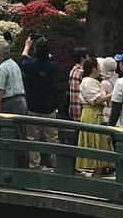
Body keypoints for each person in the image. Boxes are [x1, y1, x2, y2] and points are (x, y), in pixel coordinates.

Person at [20, 35, 62, 168]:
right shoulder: (53, 66)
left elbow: (23, 59)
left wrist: (27, 46)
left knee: (32, 138)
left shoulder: (30, 65)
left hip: (33, 106)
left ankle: (35, 165)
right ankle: (56, 165)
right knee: (53, 138)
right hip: (49, 107)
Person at [76, 56, 113, 175]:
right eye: (98, 67)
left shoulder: (94, 82)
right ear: (93, 69)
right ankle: (94, 173)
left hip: (97, 114)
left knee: (99, 143)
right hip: (91, 114)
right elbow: (96, 100)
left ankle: (97, 172)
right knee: (94, 143)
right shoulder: (87, 82)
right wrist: (112, 94)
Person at [67, 47, 88, 123]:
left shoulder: (73, 70)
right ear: (83, 58)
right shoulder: (81, 72)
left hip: (73, 109)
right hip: (80, 110)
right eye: (87, 56)